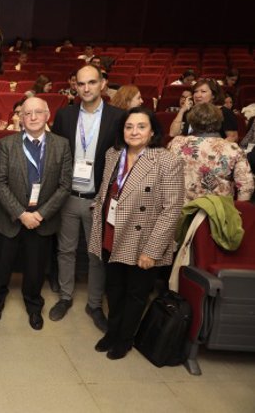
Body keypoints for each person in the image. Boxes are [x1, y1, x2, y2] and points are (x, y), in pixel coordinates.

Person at [89, 106, 184, 360]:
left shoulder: (167, 160)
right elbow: (107, 190)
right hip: (111, 231)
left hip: (143, 239)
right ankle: (112, 331)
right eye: (129, 126)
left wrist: (152, 251)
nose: (134, 131)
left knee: (136, 293)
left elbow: (171, 210)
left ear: (152, 131)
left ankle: (124, 338)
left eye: (141, 126)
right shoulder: (114, 154)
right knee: (115, 288)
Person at [49, 65, 125, 330]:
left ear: (102, 84)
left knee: (95, 255)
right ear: (75, 86)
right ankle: (65, 296)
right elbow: (56, 155)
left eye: (92, 82)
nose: (86, 88)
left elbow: (121, 162)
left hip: (98, 198)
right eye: (81, 84)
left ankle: (94, 304)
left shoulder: (118, 117)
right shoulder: (65, 115)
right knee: (66, 250)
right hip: (68, 196)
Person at [0, 97, 72, 329]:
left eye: (38, 112)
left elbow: (65, 185)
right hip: (10, 218)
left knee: (35, 269)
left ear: (47, 116)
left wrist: (41, 214)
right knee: (1, 267)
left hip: (41, 220)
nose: (33, 117)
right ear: (21, 118)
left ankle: (34, 305)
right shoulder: (6, 144)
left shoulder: (61, 145)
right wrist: (21, 213)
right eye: (27, 113)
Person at [168, 102, 253, 202]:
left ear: (191, 122)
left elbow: (166, 179)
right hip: (219, 212)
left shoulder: (177, 144)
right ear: (220, 121)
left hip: (182, 211)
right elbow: (246, 186)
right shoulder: (232, 148)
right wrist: (235, 212)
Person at [169, 78, 238, 142]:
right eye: (195, 92)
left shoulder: (224, 112)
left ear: (213, 95)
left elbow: (233, 137)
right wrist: (182, 110)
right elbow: (173, 133)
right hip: (190, 151)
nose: (198, 95)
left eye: (203, 91)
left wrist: (212, 149)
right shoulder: (190, 112)